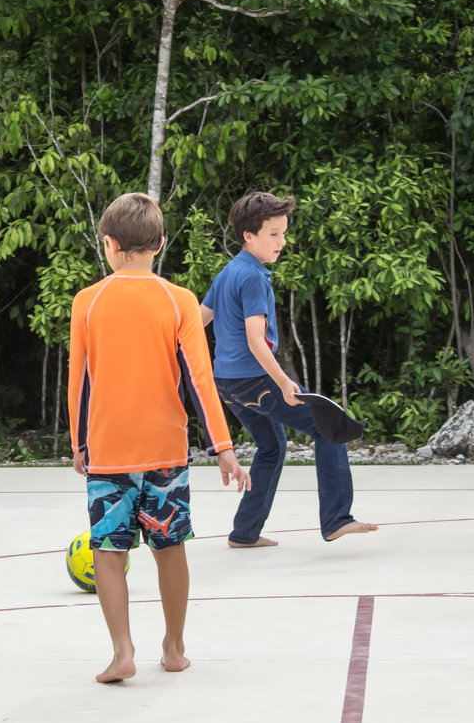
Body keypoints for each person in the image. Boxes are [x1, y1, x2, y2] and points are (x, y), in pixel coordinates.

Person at [68, 192, 250, 684]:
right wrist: (224, 448)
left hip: (108, 451)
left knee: (108, 551)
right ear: (160, 244)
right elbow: (199, 381)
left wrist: (78, 443)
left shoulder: (87, 301)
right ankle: (173, 647)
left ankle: (122, 652)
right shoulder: (180, 300)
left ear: (108, 244)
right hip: (167, 452)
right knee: (170, 548)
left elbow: (79, 383)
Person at [200, 191, 377, 547]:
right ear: (249, 235)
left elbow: (197, 321)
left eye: (283, 233)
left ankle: (245, 533)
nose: (282, 241)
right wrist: (283, 381)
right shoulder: (253, 277)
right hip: (255, 381)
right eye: (273, 234)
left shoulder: (228, 272)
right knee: (328, 428)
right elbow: (255, 339)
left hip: (228, 383)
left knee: (271, 446)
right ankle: (336, 518)